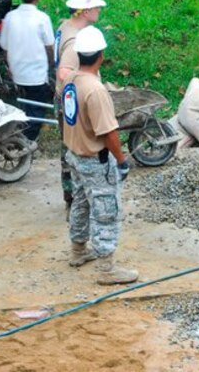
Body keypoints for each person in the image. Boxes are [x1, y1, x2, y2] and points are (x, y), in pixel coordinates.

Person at [61, 26, 137, 285]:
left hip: (74, 154)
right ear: (101, 55)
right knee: (105, 209)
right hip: (96, 161)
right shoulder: (95, 90)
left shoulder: (70, 80)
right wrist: (122, 159)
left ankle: (78, 251)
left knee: (81, 202)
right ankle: (107, 269)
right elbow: (109, 132)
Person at [55, 0, 107, 212]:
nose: (99, 10)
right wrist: (86, 90)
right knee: (76, 149)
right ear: (85, 11)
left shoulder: (65, 26)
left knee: (70, 148)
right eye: (96, 6)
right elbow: (64, 72)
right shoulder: (75, 41)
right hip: (73, 101)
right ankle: (76, 199)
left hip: (68, 98)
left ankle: (75, 198)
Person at [0, 0, 54, 141]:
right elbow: (49, 46)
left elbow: (4, 47)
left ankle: (21, 133)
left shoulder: (10, 17)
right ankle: (27, 140)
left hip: (17, 72)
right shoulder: (42, 18)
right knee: (37, 109)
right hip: (36, 74)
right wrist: (51, 63)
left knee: (25, 105)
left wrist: (10, 65)